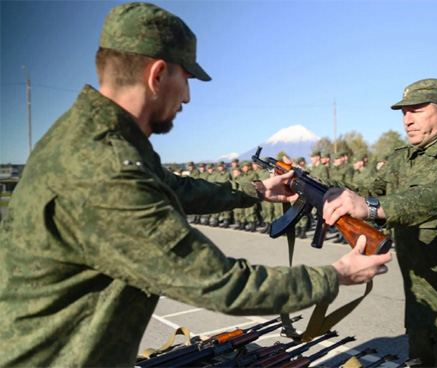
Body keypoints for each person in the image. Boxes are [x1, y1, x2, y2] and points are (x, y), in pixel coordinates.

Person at [0, 3, 392, 366]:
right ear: (156, 75)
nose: (187, 97)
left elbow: (174, 188)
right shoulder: (106, 168)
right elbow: (219, 282)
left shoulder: (97, 139)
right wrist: (335, 276)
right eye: (186, 79)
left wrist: (255, 190)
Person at [322, 78, 437, 367]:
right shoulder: (402, 159)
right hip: (419, 295)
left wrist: (372, 207)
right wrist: (311, 186)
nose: (407, 120)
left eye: (416, 110)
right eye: (403, 112)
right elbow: (362, 189)